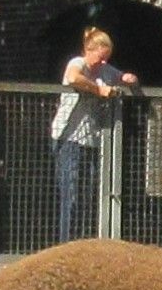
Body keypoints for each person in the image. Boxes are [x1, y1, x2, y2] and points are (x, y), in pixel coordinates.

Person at [51, 25, 137, 240]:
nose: (103, 63)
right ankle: (66, 245)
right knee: (70, 195)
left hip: (92, 141)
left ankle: (81, 242)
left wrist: (129, 79)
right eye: (100, 58)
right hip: (69, 138)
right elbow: (73, 78)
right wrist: (99, 90)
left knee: (87, 195)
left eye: (107, 58)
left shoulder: (105, 69)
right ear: (88, 50)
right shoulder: (77, 63)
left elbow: (121, 77)